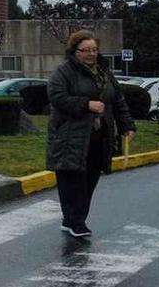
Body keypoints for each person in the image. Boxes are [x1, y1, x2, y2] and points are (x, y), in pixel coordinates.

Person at [47, 30, 135, 237]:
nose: (91, 54)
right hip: (71, 138)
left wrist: (127, 126)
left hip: (98, 138)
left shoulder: (105, 73)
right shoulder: (64, 72)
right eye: (85, 50)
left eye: (94, 49)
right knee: (72, 182)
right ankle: (75, 222)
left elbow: (118, 101)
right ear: (74, 51)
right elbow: (56, 96)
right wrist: (86, 104)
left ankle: (73, 220)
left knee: (90, 182)